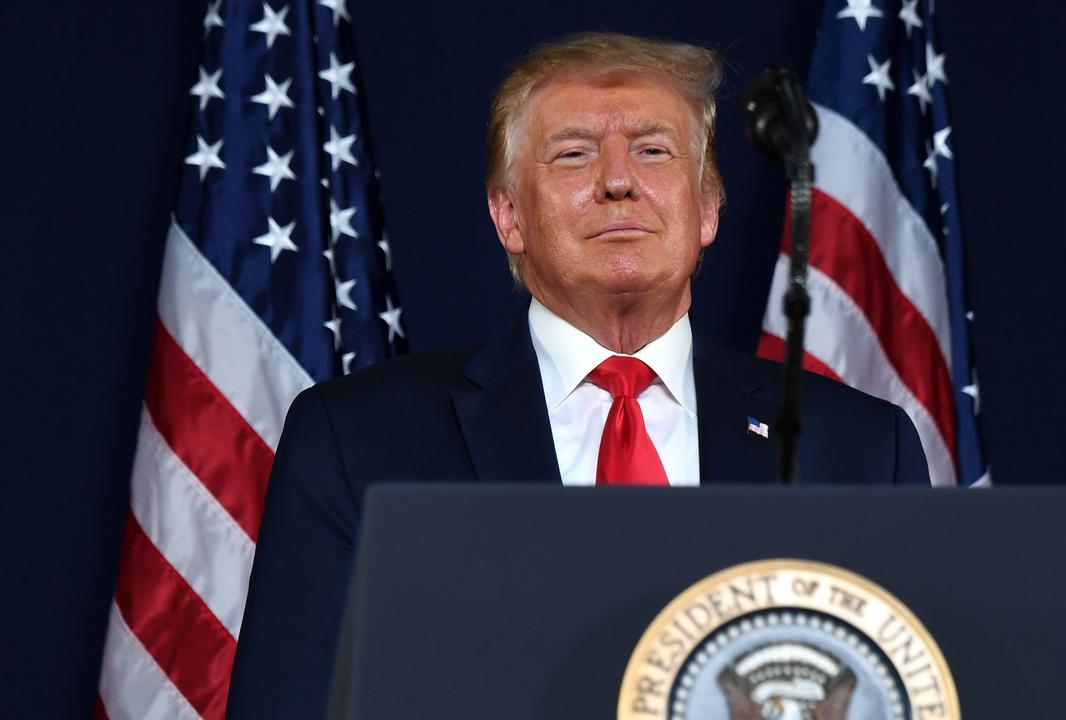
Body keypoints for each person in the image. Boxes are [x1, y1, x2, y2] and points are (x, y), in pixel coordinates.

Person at [227, 32, 928, 718]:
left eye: (653, 150)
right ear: (509, 217)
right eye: (573, 155)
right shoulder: (358, 442)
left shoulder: (859, 449)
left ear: (708, 208)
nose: (618, 181)